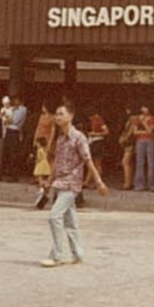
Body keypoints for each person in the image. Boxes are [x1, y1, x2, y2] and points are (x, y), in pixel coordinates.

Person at [39, 102, 109, 266]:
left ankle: (56, 255)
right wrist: (49, 181)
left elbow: (88, 161)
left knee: (54, 216)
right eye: (56, 114)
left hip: (71, 184)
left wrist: (98, 182)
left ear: (71, 116)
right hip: (60, 182)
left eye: (61, 114)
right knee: (70, 221)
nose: (58, 117)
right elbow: (57, 162)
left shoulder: (79, 137)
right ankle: (77, 254)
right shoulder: (61, 138)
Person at [133, 106, 154, 191]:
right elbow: (135, 132)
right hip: (140, 140)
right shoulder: (136, 118)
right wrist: (144, 131)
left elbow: (150, 130)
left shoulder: (153, 118)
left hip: (150, 140)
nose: (144, 109)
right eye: (143, 107)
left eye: (146, 107)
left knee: (151, 161)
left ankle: (153, 185)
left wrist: (143, 122)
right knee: (139, 162)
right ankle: (139, 185)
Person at [2, 94, 27, 181]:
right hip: (8, 131)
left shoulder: (22, 109)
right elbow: (4, 120)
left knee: (14, 154)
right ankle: (4, 173)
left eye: (15, 100)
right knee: (6, 153)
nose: (14, 102)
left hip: (15, 132)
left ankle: (14, 175)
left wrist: (8, 118)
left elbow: (15, 120)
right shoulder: (11, 108)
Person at [119, 107, 137, 189]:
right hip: (131, 142)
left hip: (130, 142)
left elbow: (131, 131)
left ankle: (127, 184)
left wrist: (124, 138)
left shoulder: (133, 118)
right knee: (130, 163)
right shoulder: (133, 118)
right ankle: (130, 182)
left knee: (125, 162)